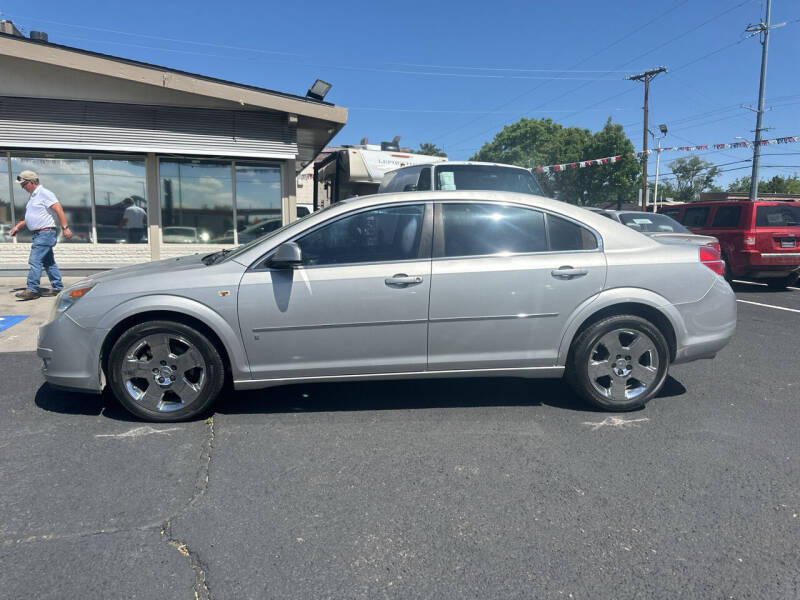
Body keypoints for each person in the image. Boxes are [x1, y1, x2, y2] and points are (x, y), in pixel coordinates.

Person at [8, 170, 73, 300]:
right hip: (40, 234)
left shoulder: (44, 193)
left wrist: (65, 227)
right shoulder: (33, 197)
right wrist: (18, 226)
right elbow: (31, 217)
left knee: (35, 260)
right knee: (49, 262)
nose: (22, 187)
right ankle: (57, 287)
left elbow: (58, 208)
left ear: (32, 182)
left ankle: (32, 290)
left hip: (45, 233)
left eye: (23, 184)